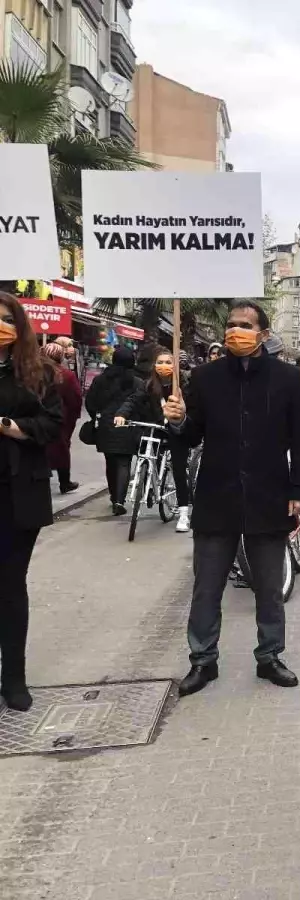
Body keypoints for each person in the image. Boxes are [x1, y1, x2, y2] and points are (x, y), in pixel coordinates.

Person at [164, 301, 300, 697]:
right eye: (230, 324)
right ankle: (202, 660)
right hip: (217, 495)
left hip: (269, 494)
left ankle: (270, 656)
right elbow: (192, 433)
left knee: (269, 586)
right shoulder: (206, 376)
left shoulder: (286, 378)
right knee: (207, 586)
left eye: (245, 325)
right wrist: (178, 419)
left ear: (263, 334)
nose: (235, 331)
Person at [0, 293, 64, 712]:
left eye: (5, 318)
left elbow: (54, 424)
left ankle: (14, 678)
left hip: (16, 491)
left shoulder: (37, 372)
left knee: (8, 586)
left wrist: (15, 428)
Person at [114, 348, 194, 533]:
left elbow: (192, 407)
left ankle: (183, 513)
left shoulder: (184, 384)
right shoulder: (148, 385)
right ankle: (149, 484)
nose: (163, 366)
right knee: (147, 451)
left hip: (177, 430)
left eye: (168, 362)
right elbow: (133, 400)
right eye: (160, 362)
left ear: (175, 365)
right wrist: (121, 414)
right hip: (155, 428)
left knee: (179, 468)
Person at [84, 346, 142, 515]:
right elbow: (141, 403)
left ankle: (113, 495)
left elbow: (90, 402)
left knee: (110, 462)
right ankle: (119, 500)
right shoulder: (136, 382)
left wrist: (97, 416)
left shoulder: (100, 380)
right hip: (128, 424)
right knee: (124, 462)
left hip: (106, 425)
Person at [41, 342, 82, 495]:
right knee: (61, 450)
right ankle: (64, 482)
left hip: (35, 417)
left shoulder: (31, 372)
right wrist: (73, 416)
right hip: (60, 419)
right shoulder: (66, 375)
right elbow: (75, 399)